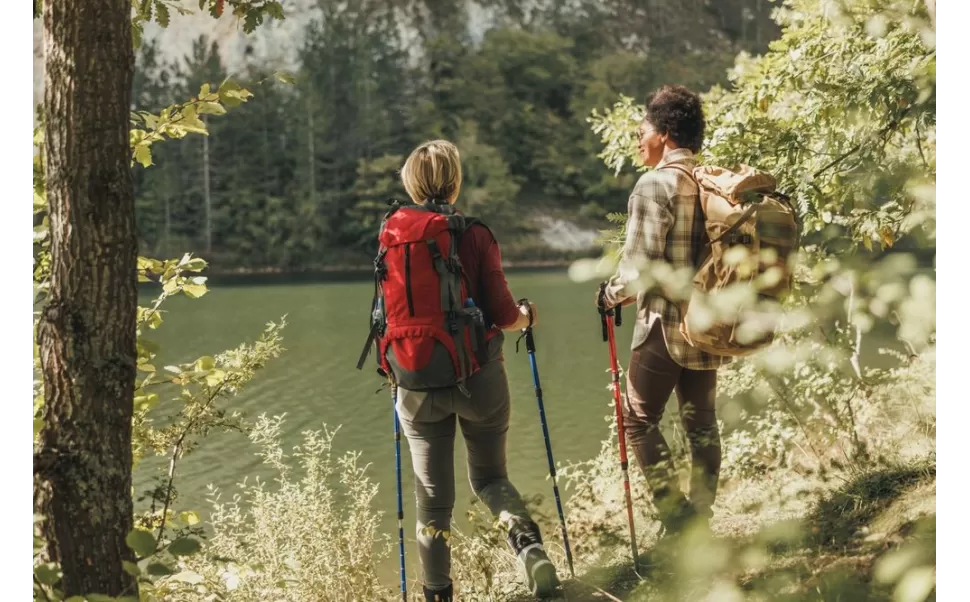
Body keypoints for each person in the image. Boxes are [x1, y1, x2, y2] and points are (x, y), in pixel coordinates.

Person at [391, 140, 561, 601]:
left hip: (415, 382)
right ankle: (532, 555)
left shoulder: (394, 235)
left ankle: (437, 593)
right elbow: (504, 314)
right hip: (479, 377)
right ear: (455, 182)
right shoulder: (475, 234)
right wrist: (527, 316)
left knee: (432, 504)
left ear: (411, 183)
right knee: (490, 479)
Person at [598, 84, 731, 537]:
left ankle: (679, 525)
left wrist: (608, 296)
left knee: (637, 420)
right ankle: (701, 521)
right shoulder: (709, 180)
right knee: (702, 425)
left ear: (666, 133)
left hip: (666, 324)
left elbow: (638, 272)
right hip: (708, 321)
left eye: (642, 132)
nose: (639, 141)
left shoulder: (654, 184)